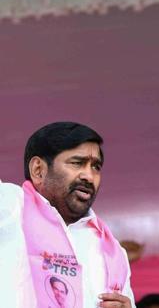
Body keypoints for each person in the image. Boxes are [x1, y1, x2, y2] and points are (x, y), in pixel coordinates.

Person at [0, 122, 134, 307]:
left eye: (96, 166)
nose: (89, 176)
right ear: (38, 170)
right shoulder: (10, 206)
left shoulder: (112, 251)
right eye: (77, 163)